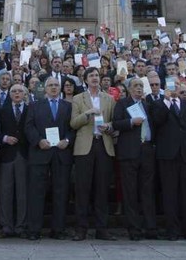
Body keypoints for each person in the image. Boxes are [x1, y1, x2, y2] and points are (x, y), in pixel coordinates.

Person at [24, 77, 75, 240]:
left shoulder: (68, 107)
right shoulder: (34, 106)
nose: (53, 88)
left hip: (61, 154)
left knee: (61, 192)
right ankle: (34, 230)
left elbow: (73, 128)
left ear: (60, 88)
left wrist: (67, 141)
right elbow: (28, 126)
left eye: (56, 85)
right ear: (45, 89)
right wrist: (38, 141)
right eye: (50, 85)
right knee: (36, 192)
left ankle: (58, 230)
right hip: (40, 153)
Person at [151, 78, 186, 241]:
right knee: (169, 193)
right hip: (167, 155)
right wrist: (166, 100)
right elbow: (157, 121)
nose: (176, 92)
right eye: (172, 89)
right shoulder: (159, 104)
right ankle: (172, 229)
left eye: (180, 90)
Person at [70, 67, 116, 241]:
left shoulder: (109, 99)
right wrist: (87, 114)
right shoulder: (77, 99)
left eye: (97, 75)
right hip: (84, 147)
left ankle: (102, 228)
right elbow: (73, 123)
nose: (95, 78)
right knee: (82, 189)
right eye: (92, 76)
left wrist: (109, 126)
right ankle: (81, 228)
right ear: (86, 80)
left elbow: (114, 121)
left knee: (102, 189)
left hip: (104, 145)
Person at [112, 78, 157, 240]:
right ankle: (134, 229)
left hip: (146, 151)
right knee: (130, 192)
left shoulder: (147, 105)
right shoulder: (122, 104)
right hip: (129, 152)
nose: (139, 88)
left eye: (141, 86)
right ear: (129, 89)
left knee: (147, 191)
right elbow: (116, 123)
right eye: (136, 86)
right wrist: (131, 121)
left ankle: (150, 227)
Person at [0, 83, 29, 238]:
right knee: (5, 192)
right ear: (10, 94)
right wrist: (4, 138)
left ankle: (21, 226)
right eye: (14, 91)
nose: (17, 93)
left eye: (20, 91)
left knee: (23, 193)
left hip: (24, 155)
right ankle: (6, 226)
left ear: (25, 94)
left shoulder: (31, 109)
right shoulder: (2, 110)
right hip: (7, 155)